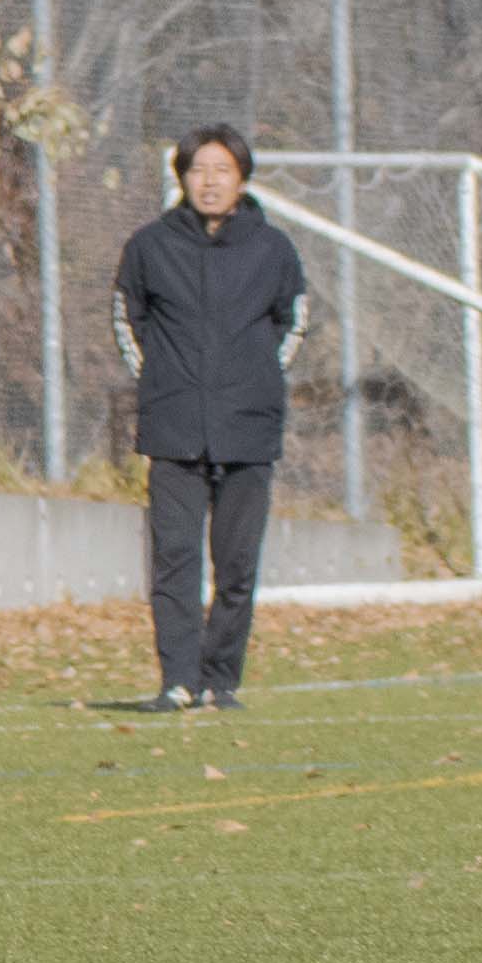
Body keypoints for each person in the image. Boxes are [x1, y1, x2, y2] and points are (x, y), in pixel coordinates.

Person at [111, 127, 305, 712]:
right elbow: (128, 320)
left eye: (222, 169)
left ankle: (221, 680)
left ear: (242, 178)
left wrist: (253, 380)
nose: (210, 180)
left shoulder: (274, 249)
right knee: (175, 558)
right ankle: (178, 681)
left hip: (249, 427)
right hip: (173, 428)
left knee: (237, 564)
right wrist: (162, 381)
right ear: (182, 177)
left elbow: (290, 324)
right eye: (199, 170)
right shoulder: (148, 246)